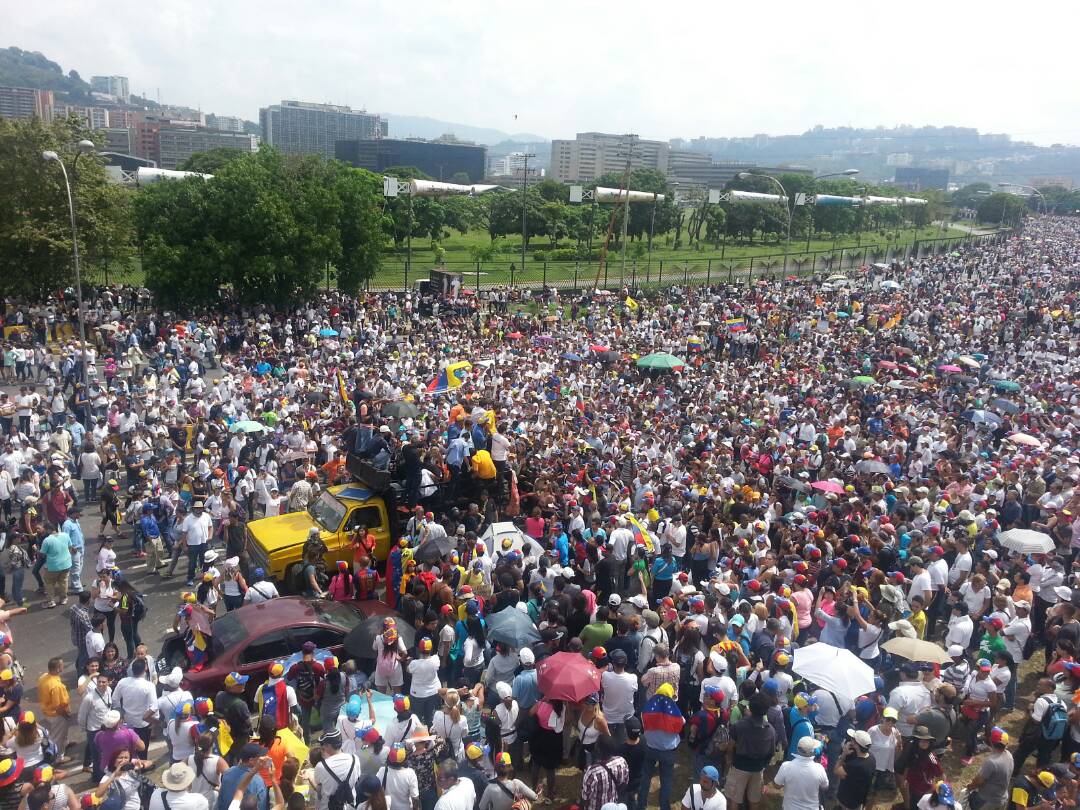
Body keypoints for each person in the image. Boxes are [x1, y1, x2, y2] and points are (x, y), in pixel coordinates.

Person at [636, 683, 685, 810]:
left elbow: (643, 721)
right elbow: (682, 723)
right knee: (666, 781)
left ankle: (641, 805)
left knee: (645, 777)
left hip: (650, 748)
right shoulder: (675, 715)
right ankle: (664, 807)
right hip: (668, 751)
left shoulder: (647, 711)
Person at [726, 692, 777, 810]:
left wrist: (728, 760)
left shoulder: (739, 726)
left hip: (739, 767)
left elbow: (731, 746)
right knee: (754, 800)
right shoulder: (771, 730)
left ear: (751, 707)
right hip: (758, 769)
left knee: (734, 799)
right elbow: (771, 753)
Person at [773, 736, 828, 810]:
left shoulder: (786, 766)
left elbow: (777, 785)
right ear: (813, 751)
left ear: (797, 749)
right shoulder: (819, 768)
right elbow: (825, 786)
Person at [36, 658, 72, 765]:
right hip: (56, 714)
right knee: (57, 735)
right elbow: (57, 706)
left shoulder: (44, 677)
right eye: (61, 665)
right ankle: (57, 757)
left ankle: (64, 744)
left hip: (47, 710)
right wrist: (65, 715)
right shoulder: (56, 686)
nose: (63, 666)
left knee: (62, 733)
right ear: (57, 669)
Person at [312, 730, 360, 810]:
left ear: (328, 746)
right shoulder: (355, 759)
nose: (322, 747)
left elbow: (319, 787)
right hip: (349, 806)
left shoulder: (321, 766)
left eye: (322, 745)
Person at [968, 727, 1014, 810]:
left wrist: (970, 787)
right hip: (1002, 798)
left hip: (987, 801)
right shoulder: (1009, 755)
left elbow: (979, 781)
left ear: (991, 741)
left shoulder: (991, 762)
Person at [216, 743, 269, 810]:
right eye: (260, 757)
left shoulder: (228, 773)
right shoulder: (258, 781)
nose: (263, 758)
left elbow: (221, 800)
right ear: (251, 760)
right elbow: (261, 806)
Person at [582, 737, 629, 810]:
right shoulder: (621, 761)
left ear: (598, 750)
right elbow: (625, 783)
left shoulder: (592, 772)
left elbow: (586, 797)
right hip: (613, 805)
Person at [834, 729, 875, 810]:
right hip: (859, 800)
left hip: (847, 802)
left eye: (852, 739)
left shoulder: (855, 765)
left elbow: (836, 770)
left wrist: (843, 754)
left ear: (856, 745)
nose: (850, 741)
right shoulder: (871, 758)